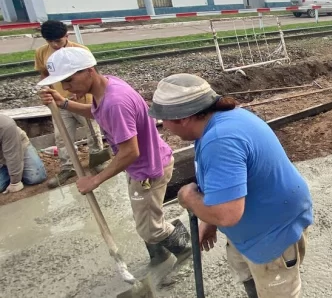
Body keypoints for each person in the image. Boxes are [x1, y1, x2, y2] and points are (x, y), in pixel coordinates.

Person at [151, 74, 313, 298]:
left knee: (277, 291)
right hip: (252, 224)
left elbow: (227, 215)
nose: (163, 127)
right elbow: (224, 184)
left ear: (183, 118)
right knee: (248, 276)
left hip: (272, 232)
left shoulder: (220, 140)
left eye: (164, 120)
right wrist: (209, 219)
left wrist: (191, 199)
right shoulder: (217, 122)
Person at [37, 47, 191, 266]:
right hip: (145, 162)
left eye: (69, 80)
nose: (66, 87)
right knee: (145, 217)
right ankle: (160, 254)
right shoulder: (107, 86)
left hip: (147, 170)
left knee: (149, 228)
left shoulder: (115, 102)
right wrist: (64, 103)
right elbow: (97, 112)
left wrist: (95, 180)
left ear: (89, 71)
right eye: (63, 83)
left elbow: (130, 151)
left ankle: (186, 252)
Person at [34, 20, 104, 188]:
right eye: (50, 41)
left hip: (83, 101)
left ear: (66, 36)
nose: (54, 44)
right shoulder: (42, 53)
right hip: (60, 103)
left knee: (93, 132)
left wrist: (85, 94)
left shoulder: (80, 51)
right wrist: (46, 92)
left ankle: (97, 161)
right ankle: (68, 167)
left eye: (58, 40)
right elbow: (44, 75)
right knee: (62, 136)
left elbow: (94, 76)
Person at [0, 114, 47, 194]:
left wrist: (15, 182)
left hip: (17, 146)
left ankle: (14, 170)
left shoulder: (5, 124)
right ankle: (8, 169)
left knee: (36, 177)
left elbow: (13, 154)